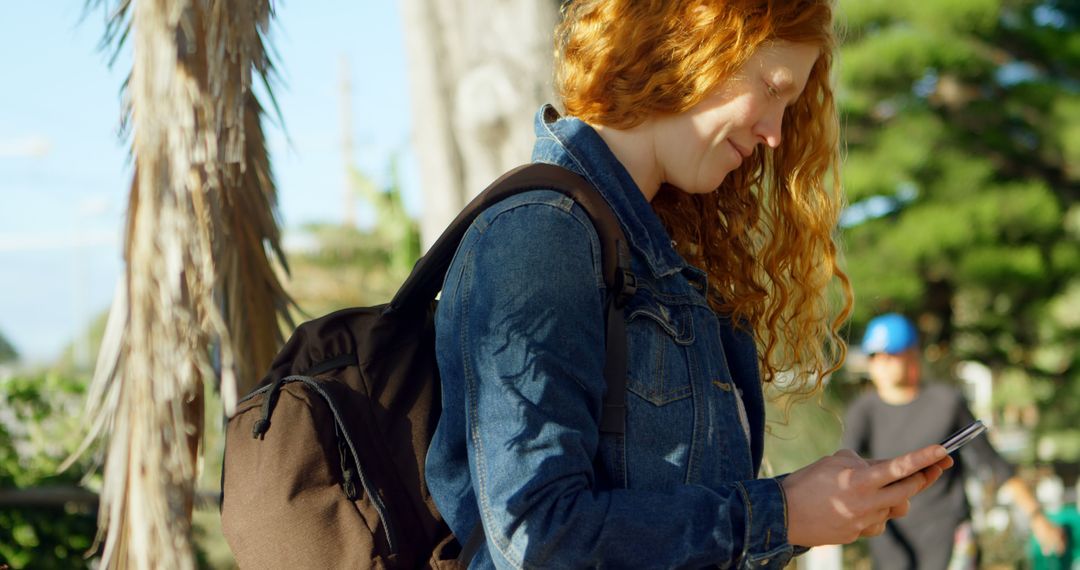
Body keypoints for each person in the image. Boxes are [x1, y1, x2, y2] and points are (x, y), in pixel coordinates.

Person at [426, 2, 953, 568]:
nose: (775, 134)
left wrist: (808, 508)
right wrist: (780, 512)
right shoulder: (544, 234)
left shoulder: (662, 257)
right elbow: (537, 538)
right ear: (691, 44)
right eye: (773, 89)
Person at [844, 312, 1067, 569]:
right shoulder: (863, 412)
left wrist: (1036, 517)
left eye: (890, 354)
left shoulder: (945, 403)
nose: (881, 363)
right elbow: (846, 474)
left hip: (949, 535)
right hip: (892, 542)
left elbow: (993, 463)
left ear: (912, 354)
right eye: (874, 356)